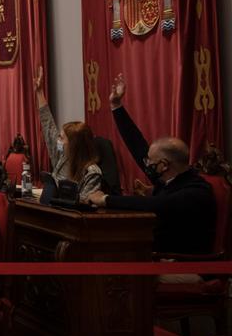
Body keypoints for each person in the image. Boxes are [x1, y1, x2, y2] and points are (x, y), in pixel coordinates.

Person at [85, 74, 216, 257]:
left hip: (183, 263)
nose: (146, 163)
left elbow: (156, 204)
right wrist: (116, 106)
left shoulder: (196, 191)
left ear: (163, 165)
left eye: (150, 162)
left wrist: (105, 199)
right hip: (157, 254)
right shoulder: (168, 177)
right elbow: (138, 146)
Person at [35, 68, 104, 199]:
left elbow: (84, 205)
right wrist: (39, 92)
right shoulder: (63, 157)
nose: (58, 140)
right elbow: (48, 128)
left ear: (74, 144)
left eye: (61, 138)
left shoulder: (92, 173)